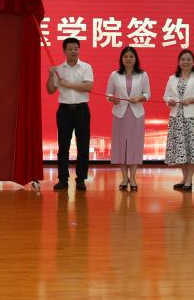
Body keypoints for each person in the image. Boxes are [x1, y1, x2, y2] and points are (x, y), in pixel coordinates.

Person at [46, 37, 94, 191]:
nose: (74, 51)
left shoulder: (86, 67)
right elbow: (50, 90)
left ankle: (81, 179)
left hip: (81, 110)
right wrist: (51, 75)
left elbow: (88, 86)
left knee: (83, 146)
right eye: (70, 49)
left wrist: (68, 84)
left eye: (76, 49)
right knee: (63, 146)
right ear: (64, 51)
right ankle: (63, 179)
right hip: (64, 111)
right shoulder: (59, 70)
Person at [163, 49, 194, 191]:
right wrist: (169, 100)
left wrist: (193, 99)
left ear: (193, 62)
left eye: (188, 59)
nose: (185, 62)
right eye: (183, 59)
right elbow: (166, 96)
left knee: (191, 149)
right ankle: (184, 178)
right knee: (180, 150)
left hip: (192, 118)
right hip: (176, 118)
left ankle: (189, 181)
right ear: (179, 62)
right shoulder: (172, 78)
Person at [105, 46, 149, 191]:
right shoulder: (115, 75)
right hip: (120, 114)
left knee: (135, 146)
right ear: (121, 59)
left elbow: (147, 94)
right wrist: (112, 99)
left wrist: (139, 98)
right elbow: (108, 94)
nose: (128, 59)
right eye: (125, 56)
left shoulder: (142, 75)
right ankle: (124, 178)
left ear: (135, 59)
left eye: (131, 56)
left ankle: (133, 178)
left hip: (137, 114)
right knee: (121, 146)